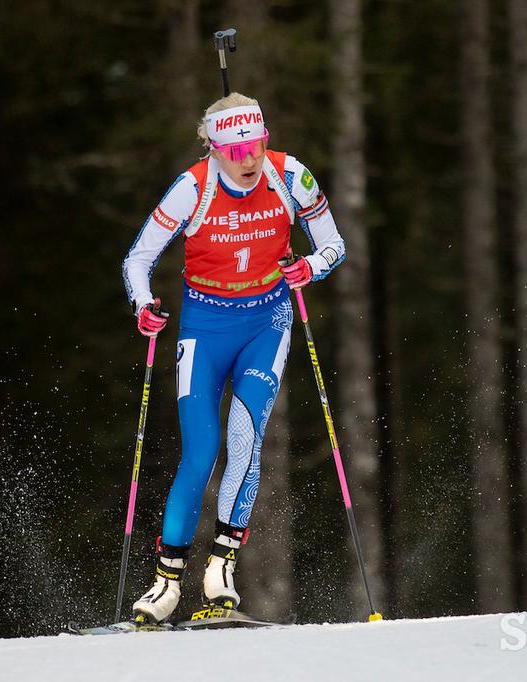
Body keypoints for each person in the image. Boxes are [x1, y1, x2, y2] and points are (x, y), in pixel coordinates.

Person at [121, 92, 345, 623]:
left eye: (256, 144)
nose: (248, 158)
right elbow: (138, 259)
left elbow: (334, 243)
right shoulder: (192, 188)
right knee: (200, 452)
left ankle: (220, 569)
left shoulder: (291, 176)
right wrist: (144, 306)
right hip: (204, 326)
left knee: (246, 439)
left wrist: (310, 266)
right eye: (235, 148)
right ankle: (166, 583)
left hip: (266, 323)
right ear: (214, 149)